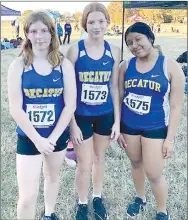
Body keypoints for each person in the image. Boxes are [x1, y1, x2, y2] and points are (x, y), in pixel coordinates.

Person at [7, 11, 76, 220]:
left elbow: (70, 104)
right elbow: (15, 108)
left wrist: (52, 139)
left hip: (56, 136)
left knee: (52, 177)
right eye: (34, 31)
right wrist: (38, 140)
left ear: (52, 33)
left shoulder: (63, 65)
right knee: (27, 196)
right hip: (29, 137)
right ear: (26, 34)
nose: (39, 36)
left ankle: (49, 213)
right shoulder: (18, 65)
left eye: (44, 30)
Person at [118, 22, 185, 220]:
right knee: (136, 164)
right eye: (129, 42)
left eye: (138, 39)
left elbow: (176, 106)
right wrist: (118, 127)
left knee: (154, 173)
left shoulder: (170, 66)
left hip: (155, 128)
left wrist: (170, 139)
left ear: (150, 38)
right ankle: (140, 198)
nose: (134, 45)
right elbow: (119, 97)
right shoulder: (125, 66)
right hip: (129, 127)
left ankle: (162, 210)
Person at [66, 2, 120, 220]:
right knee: (84, 163)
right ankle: (82, 203)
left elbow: (114, 87)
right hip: (81, 116)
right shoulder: (75, 50)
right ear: (84, 24)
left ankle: (97, 197)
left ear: (107, 22)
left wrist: (117, 121)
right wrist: (72, 123)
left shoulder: (114, 51)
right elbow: (67, 91)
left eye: (101, 21)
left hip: (104, 115)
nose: (96, 26)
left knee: (99, 159)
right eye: (91, 22)